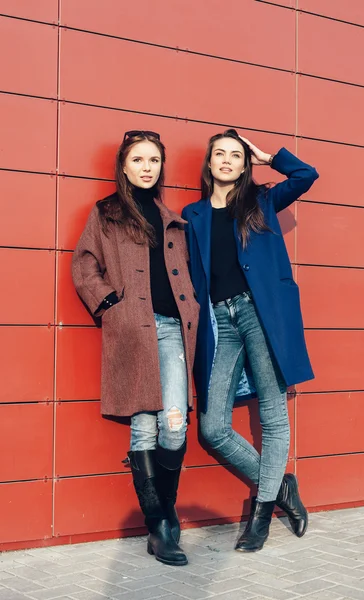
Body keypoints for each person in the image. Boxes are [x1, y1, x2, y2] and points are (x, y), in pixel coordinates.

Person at [182, 128, 318, 552]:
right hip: (220, 323)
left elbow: (306, 175)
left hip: (261, 315)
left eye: (235, 155)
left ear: (244, 165)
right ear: (208, 164)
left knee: (273, 415)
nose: (226, 160)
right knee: (212, 427)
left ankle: (261, 513)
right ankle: (281, 488)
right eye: (218, 154)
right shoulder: (193, 214)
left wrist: (267, 155)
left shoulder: (262, 201)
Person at [72, 130, 199, 566]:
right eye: (139, 160)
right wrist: (110, 304)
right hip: (133, 330)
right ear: (123, 166)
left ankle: (164, 510)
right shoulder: (107, 213)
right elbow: (84, 262)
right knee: (144, 429)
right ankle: (160, 526)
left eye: (154, 160)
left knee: (176, 426)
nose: (148, 167)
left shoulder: (172, 219)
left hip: (170, 331)